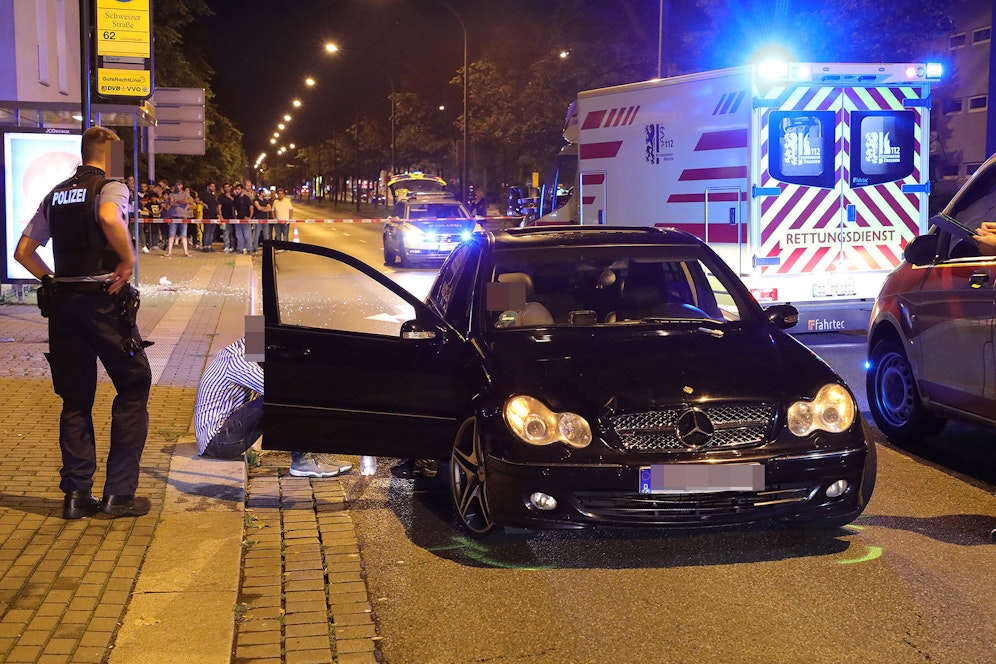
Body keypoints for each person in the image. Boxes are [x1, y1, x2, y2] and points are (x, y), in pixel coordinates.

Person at [13, 125, 153, 519]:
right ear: (108, 154)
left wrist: (51, 280)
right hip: (103, 303)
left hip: (64, 306)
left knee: (75, 398)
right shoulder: (110, 187)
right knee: (134, 384)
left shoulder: (55, 195)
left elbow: (23, 251)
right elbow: (109, 216)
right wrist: (127, 259)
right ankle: (119, 495)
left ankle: (76, 495)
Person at [193, 337, 352, 477]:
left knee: (287, 391)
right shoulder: (238, 361)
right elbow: (276, 390)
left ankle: (315, 454)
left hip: (221, 437)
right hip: (219, 442)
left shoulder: (247, 353)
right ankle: (302, 462)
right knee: (280, 398)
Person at [164, 179, 191, 257]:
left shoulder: (186, 194)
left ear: (182, 185)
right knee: (171, 234)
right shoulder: (171, 194)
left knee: (184, 235)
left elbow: (186, 201)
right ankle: (169, 252)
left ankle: (186, 252)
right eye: (176, 185)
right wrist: (179, 202)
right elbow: (171, 202)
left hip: (183, 216)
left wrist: (176, 201)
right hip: (174, 216)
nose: (178, 186)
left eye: (179, 185)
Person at [232, 183, 253, 254]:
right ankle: (240, 249)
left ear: (242, 190)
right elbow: (233, 207)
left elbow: (251, 208)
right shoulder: (236, 198)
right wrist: (234, 216)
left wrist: (249, 217)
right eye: (236, 189)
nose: (237, 191)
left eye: (238, 189)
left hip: (245, 220)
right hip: (238, 220)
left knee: (247, 235)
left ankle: (249, 249)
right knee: (238, 235)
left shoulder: (246, 198)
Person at [200, 181, 220, 252]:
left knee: (212, 232)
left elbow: (216, 206)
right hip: (207, 215)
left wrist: (218, 214)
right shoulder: (204, 194)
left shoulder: (214, 196)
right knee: (207, 231)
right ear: (208, 187)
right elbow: (196, 200)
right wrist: (203, 204)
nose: (213, 188)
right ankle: (205, 246)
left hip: (214, 215)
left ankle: (209, 245)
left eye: (214, 186)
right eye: (211, 186)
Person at [251, 188, 272, 254]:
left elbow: (270, 209)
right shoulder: (256, 200)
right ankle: (255, 248)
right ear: (261, 193)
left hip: (265, 219)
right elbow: (258, 208)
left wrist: (262, 208)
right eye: (264, 192)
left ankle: (267, 248)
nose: (265, 193)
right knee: (257, 233)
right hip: (258, 219)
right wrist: (265, 208)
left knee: (266, 234)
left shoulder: (266, 200)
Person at [218, 183, 237, 252]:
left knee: (232, 233)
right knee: (225, 232)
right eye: (225, 187)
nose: (227, 188)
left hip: (232, 218)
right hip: (223, 218)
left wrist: (231, 198)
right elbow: (219, 207)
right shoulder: (221, 197)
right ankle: (226, 246)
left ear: (230, 187)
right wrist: (220, 216)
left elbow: (236, 205)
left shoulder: (234, 196)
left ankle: (233, 246)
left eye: (228, 187)